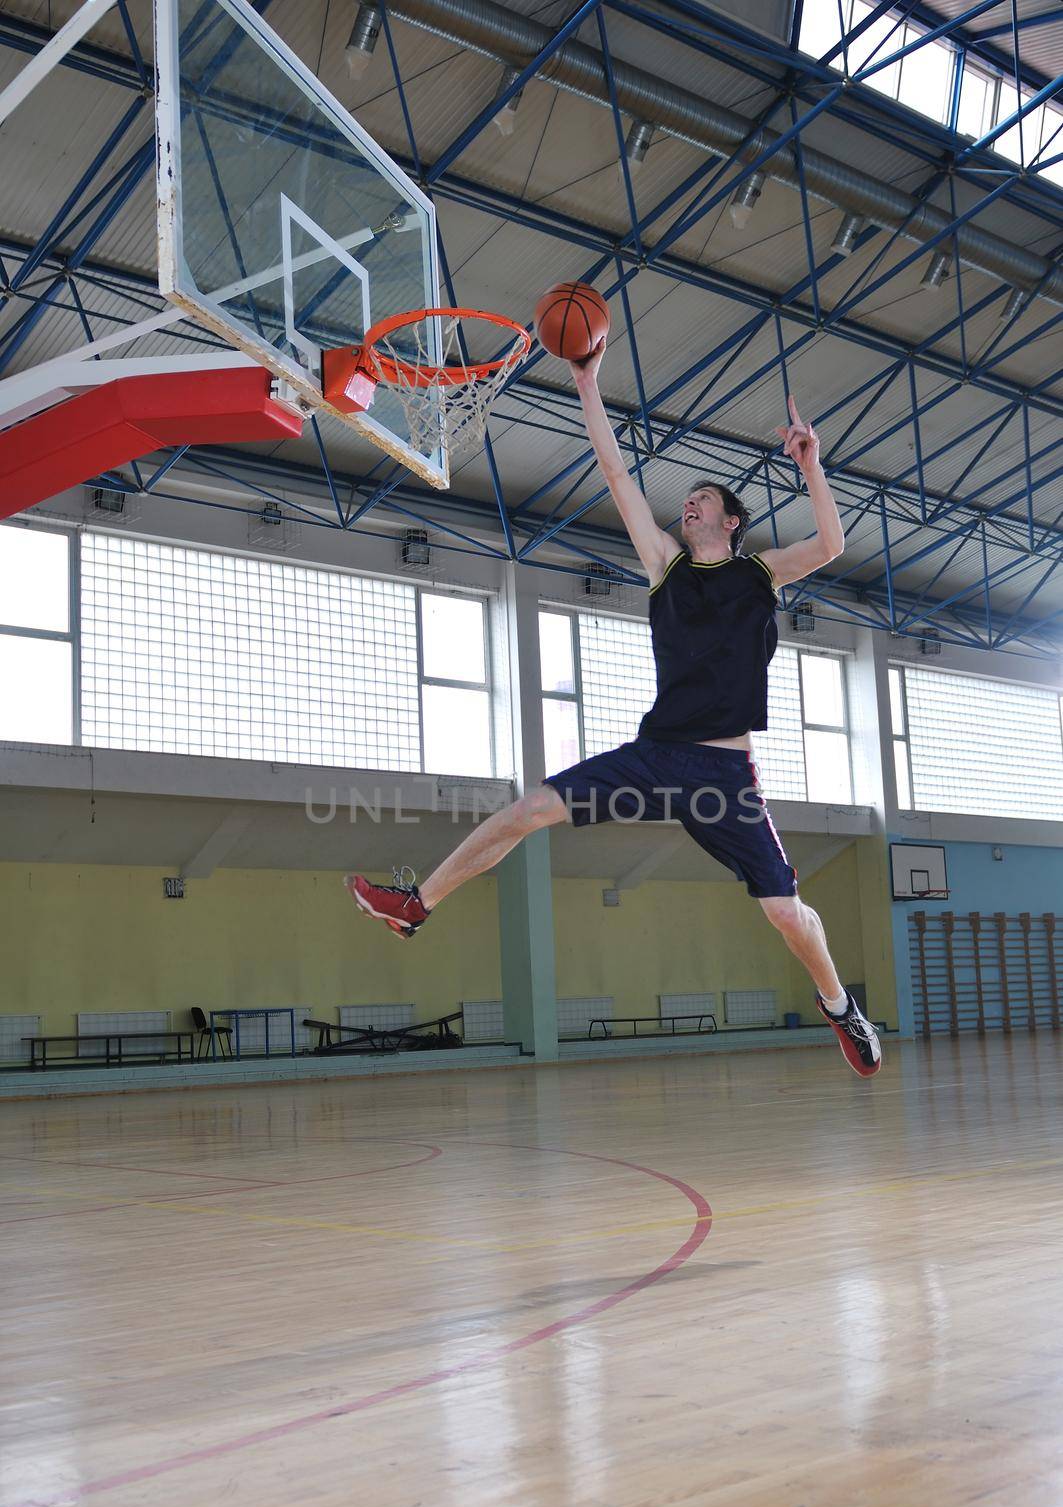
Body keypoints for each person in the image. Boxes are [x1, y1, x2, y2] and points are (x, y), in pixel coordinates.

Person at [345, 338, 881, 1077]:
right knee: (527, 809)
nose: (688, 503)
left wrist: (810, 465)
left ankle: (836, 1006)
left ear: (729, 522)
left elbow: (829, 540)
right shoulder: (663, 567)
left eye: (704, 500)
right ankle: (415, 906)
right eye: (686, 500)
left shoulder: (759, 574)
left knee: (785, 913)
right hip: (656, 757)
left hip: (724, 775)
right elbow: (613, 470)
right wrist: (586, 382)